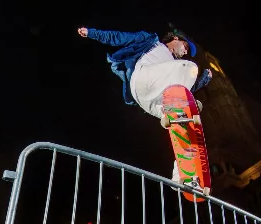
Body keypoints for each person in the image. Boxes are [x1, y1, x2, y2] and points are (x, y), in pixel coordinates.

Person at [77, 27, 212, 182]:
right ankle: (180, 109)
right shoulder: (151, 41)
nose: (185, 52)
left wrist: (203, 81)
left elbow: (183, 90)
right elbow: (120, 36)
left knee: (182, 121)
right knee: (189, 67)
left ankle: (182, 173)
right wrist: (92, 33)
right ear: (175, 39)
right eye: (185, 47)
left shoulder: (171, 70)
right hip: (142, 79)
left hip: (149, 101)